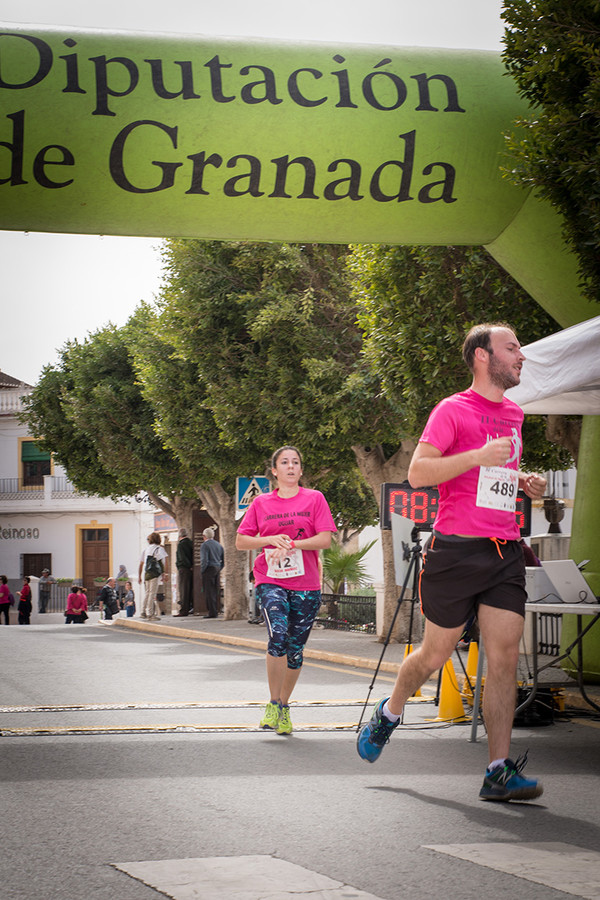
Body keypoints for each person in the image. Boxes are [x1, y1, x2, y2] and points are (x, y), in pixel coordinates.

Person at [357, 323, 547, 802]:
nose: (521, 356)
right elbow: (419, 473)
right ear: (483, 356)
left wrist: (522, 480)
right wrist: (479, 455)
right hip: (456, 551)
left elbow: (492, 476)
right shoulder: (452, 409)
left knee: (503, 659)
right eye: (512, 348)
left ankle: (498, 771)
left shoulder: (516, 414)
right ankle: (391, 711)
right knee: (434, 655)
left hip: (503, 550)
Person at [236, 445, 337, 735]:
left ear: (301, 470)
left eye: (295, 462)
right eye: (285, 462)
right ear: (275, 471)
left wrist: (293, 544)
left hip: (306, 584)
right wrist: (270, 539)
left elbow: (325, 539)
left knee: (295, 650)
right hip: (271, 579)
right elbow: (242, 541)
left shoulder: (315, 499)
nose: (291, 466)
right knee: (277, 636)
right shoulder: (261, 503)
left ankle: (284, 705)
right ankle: (272, 702)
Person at [138, 532, 169, 621]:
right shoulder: (160, 549)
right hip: (154, 574)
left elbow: (141, 564)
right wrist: (165, 573)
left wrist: (140, 576)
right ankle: (150, 614)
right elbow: (165, 562)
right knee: (152, 593)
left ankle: (143, 612)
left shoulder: (146, 549)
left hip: (147, 574)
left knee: (147, 593)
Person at [200, 527, 224, 618]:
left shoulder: (204, 545)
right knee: (215, 590)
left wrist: (202, 570)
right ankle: (216, 610)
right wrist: (219, 567)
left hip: (209, 569)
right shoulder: (219, 545)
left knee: (209, 591)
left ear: (204, 536)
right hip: (217, 568)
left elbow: (204, 560)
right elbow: (223, 559)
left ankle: (212, 612)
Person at [174, 528, 194, 616]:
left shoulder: (181, 545)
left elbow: (182, 557)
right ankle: (191, 607)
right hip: (192, 569)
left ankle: (184, 610)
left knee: (183, 589)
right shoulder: (191, 543)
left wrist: (186, 565)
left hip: (184, 568)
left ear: (180, 536)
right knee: (190, 589)